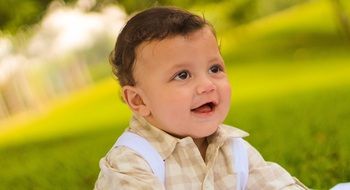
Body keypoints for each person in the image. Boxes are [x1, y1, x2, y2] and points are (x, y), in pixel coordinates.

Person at [94, 6, 309, 190]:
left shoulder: (232, 149)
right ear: (139, 101)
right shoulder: (131, 163)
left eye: (214, 68)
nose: (207, 85)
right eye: (182, 75)